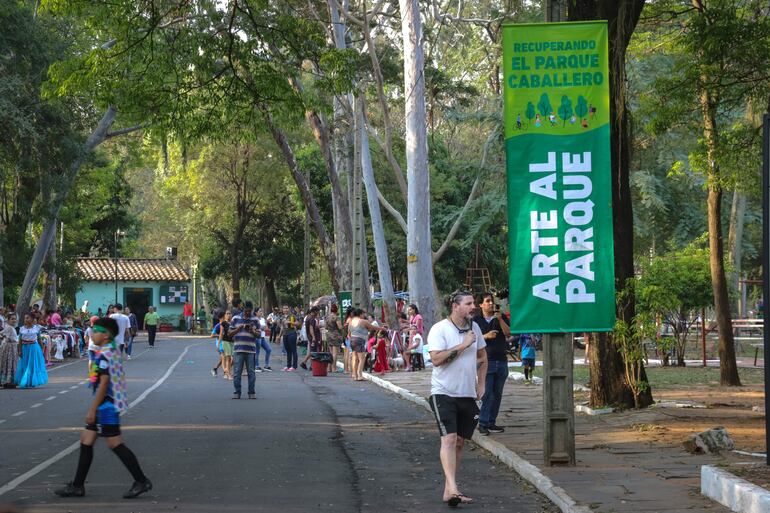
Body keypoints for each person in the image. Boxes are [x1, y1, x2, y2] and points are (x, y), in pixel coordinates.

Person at [54, 317, 152, 499]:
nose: (93, 334)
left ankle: (141, 480)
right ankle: (77, 485)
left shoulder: (107, 353)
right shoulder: (107, 350)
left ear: (106, 335)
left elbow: (105, 382)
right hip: (106, 404)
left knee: (115, 444)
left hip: (106, 406)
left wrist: (92, 409)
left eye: (96, 331)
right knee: (86, 440)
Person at [427, 290, 487, 507]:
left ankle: (448, 490)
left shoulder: (476, 328)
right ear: (455, 306)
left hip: (467, 394)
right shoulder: (439, 329)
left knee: (460, 442)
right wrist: (463, 345)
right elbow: (436, 359)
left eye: (474, 303)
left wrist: (481, 384)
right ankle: (453, 488)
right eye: (469, 303)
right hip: (443, 392)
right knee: (449, 439)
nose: (474, 307)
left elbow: (483, 357)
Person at [473, 292, 511, 436]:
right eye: (487, 301)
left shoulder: (500, 318)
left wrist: (500, 319)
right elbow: (470, 339)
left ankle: (491, 422)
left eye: (491, 301)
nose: (490, 304)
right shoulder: (476, 321)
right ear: (481, 304)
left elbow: (508, 334)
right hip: (485, 361)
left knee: (497, 394)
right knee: (486, 393)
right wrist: (485, 336)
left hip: (501, 360)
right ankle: (482, 423)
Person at [228, 301, 259, 399]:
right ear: (243, 309)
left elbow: (258, 335)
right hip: (238, 349)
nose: (247, 313)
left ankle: (251, 392)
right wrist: (238, 329)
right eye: (246, 311)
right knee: (237, 372)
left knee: (251, 372)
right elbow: (229, 334)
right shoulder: (235, 318)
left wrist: (252, 331)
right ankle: (237, 392)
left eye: (249, 311)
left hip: (251, 350)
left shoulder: (255, 319)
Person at [348, 309, 387, 381]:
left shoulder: (351, 321)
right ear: (360, 314)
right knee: (361, 359)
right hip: (359, 340)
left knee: (355, 358)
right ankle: (359, 375)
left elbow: (349, 333)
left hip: (352, 340)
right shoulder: (363, 321)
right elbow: (372, 327)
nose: (364, 315)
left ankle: (354, 375)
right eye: (363, 314)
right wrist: (382, 328)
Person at [15, 313, 48, 388]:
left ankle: (32, 381)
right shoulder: (22, 329)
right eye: (25, 318)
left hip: (34, 348)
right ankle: (25, 381)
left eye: (27, 318)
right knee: (25, 365)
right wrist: (19, 350)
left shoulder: (36, 328)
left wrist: (42, 349)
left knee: (32, 365)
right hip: (25, 348)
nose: (26, 319)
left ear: (32, 319)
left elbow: (39, 339)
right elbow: (20, 341)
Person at [279, 305, 300, 371]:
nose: (285, 309)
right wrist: (279, 336)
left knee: (293, 350)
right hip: (285, 335)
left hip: (292, 334)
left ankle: (294, 366)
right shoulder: (282, 317)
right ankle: (288, 366)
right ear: (282, 309)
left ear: (289, 309)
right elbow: (282, 327)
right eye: (284, 308)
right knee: (288, 351)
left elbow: (298, 323)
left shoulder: (292, 316)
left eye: (287, 308)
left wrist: (290, 322)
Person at [0, 315, 19, 388]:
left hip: (12, 347)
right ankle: (8, 381)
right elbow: (2, 333)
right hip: (9, 348)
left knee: (11, 363)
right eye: (12, 319)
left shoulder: (11, 327)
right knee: (8, 363)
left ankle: (9, 381)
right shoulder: (9, 328)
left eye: (15, 319)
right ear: (8, 320)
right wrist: (6, 339)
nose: (14, 320)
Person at [324, 304, 343, 373]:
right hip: (335, 335)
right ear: (336, 310)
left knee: (330, 352)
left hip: (329, 334)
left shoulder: (327, 317)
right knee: (335, 353)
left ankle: (329, 368)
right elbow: (340, 327)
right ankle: (334, 368)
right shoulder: (336, 317)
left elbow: (325, 327)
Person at [253, 307, 272, 372]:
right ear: (256, 312)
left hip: (263, 337)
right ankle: (256, 366)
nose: (261, 312)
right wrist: (261, 328)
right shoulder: (254, 319)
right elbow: (255, 328)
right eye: (260, 311)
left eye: (261, 311)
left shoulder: (263, 319)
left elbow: (266, 328)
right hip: (257, 337)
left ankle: (266, 365)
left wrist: (261, 327)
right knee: (257, 351)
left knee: (268, 349)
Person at [218, 310, 235, 379]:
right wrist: (219, 344)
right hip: (225, 341)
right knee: (228, 357)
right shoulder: (223, 323)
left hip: (233, 342)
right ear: (224, 315)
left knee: (234, 359)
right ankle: (229, 374)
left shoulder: (233, 323)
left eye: (229, 313)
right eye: (227, 314)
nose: (228, 315)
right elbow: (221, 333)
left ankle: (227, 370)